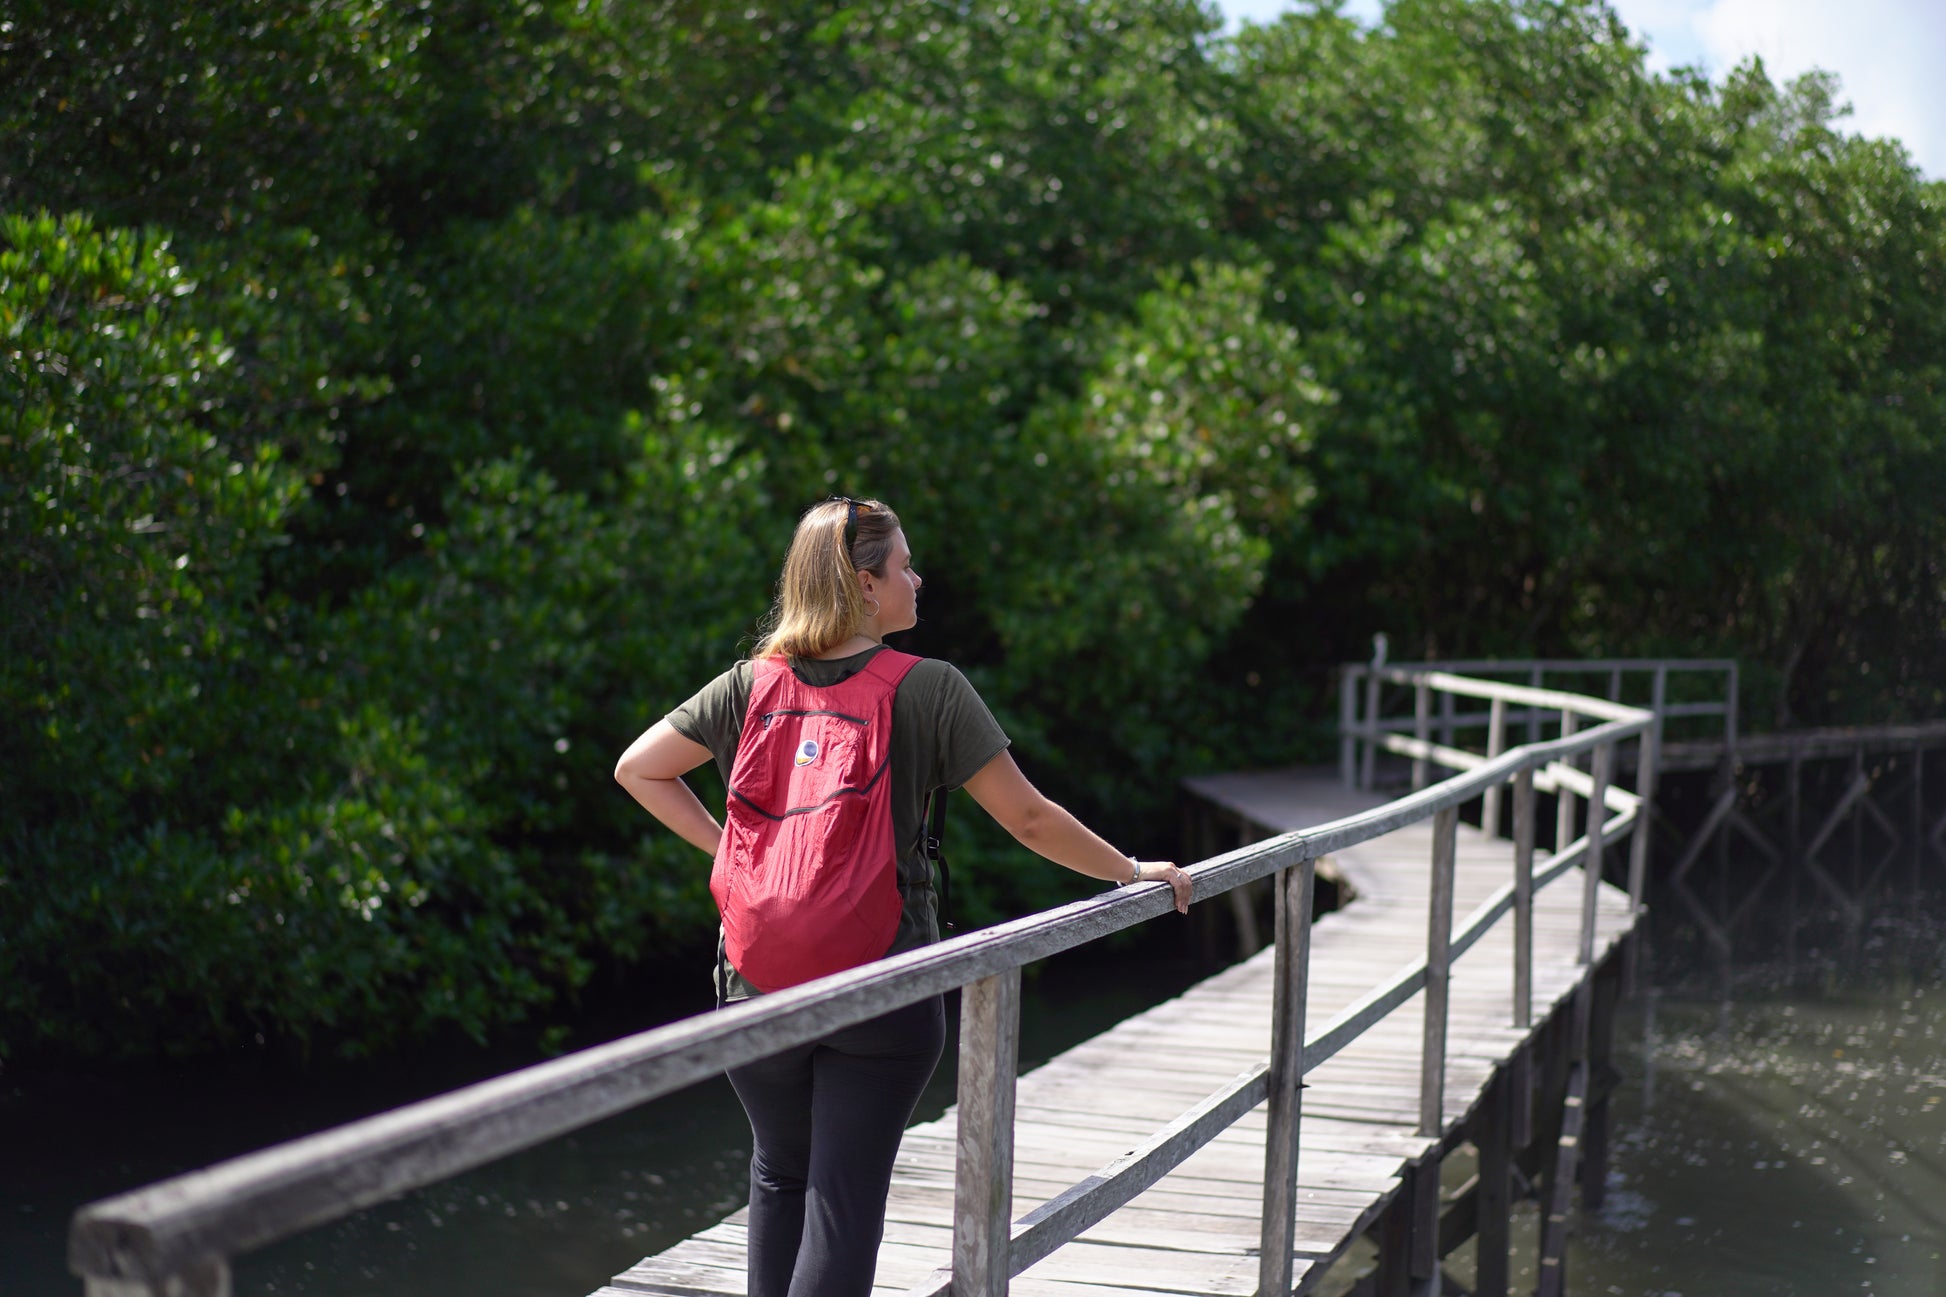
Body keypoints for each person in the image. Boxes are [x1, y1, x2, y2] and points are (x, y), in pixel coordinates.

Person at [613, 496, 1192, 1297]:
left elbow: (638, 767)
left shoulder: (746, 685)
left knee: (780, 1177)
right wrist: (1131, 870)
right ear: (863, 583)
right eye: (904, 565)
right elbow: (1026, 818)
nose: (918, 579)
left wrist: (742, 854)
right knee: (841, 1203)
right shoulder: (931, 689)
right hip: (882, 985)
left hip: (754, 986)